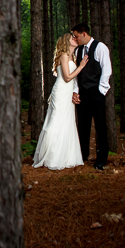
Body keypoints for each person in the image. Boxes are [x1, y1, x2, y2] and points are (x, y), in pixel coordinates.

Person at [32, 33, 89, 170]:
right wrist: (81, 66)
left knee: (67, 122)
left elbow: (73, 81)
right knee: (55, 122)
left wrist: (75, 93)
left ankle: (66, 156)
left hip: (68, 93)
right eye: (72, 38)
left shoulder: (72, 56)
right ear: (66, 42)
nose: (75, 39)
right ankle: (51, 156)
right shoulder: (64, 55)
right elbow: (68, 77)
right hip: (61, 92)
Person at [71, 23, 112, 171]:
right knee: (83, 125)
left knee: (100, 126)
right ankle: (82, 155)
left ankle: (101, 159)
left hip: (96, 92)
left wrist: (100, 91)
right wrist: (75, 92)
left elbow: (106, 70)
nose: (75, 39)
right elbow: (77, 74)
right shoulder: (78, 51)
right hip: (82, 94)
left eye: (76, 36)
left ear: (84, 34)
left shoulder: (100, 47)